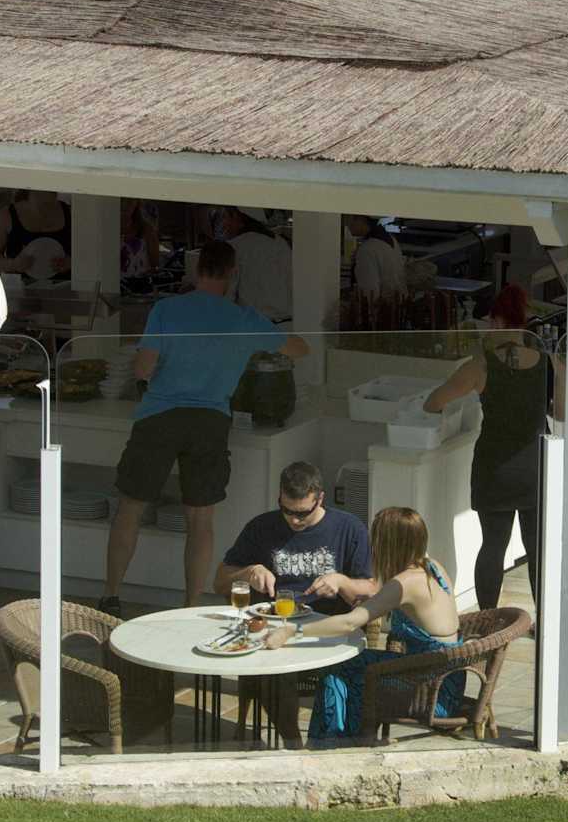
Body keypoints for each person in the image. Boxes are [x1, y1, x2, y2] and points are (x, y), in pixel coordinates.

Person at [101, 240, 308, 614]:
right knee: (200, 519)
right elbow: (299, 348)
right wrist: (254, 345)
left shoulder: (167, 309)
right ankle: (191, 605)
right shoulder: (243, 319)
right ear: (232, 273)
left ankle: (111, 596)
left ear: (197, 271)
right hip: (210, 421)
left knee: (130, 508)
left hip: (158, 416)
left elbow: (143, 369)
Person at [270, 506, 462, 745]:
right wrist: (374, 600)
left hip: (428, 690)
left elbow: (349, 623)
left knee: (339, 667)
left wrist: (292, 631)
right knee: (354, 664)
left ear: (389, 544)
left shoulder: (404, 583)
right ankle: (356, 737)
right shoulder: (432, 566)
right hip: (448, 678)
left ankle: (332, 742)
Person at [423, 283, 562, 612]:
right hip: (535, 466)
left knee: (493, 546)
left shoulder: (480, 366)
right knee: (536, 548)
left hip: (495, 467)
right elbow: (561, 412)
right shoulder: (549, 362)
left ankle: (488, 619)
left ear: (498, 321)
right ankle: (544, 621)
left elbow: (433, 402)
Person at [215, 460, 375, 613]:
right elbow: (220, 583)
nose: (294, 520)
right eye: (286, 510)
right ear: (280, 496)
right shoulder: (261, 527)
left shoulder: (349, 528)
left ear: (320, 499)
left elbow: (371, 594)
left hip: (327, 624)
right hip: (273, 619)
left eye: (303, 513)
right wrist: (249, 572)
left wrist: (341, 582)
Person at [219, 207, 293, 324]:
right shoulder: (280, 243)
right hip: (288, 326)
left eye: (225, 217)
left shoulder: (234, 247)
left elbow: (227, 299)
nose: (223, 224)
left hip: (255, 327)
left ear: (237, 217)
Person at [0, 188, 71, 278]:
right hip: (20, 285)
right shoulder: (7, 215)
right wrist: (13, 264)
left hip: (65, 284)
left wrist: (71, 263)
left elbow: (82, 254)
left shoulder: (71, 212)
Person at [347, 215, 405, 302]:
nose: (349, 225)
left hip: (381, 306)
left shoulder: (367, 249)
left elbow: (370, 293)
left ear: (361, 219)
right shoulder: (391, 239)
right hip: (396, 303)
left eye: (352, 219)